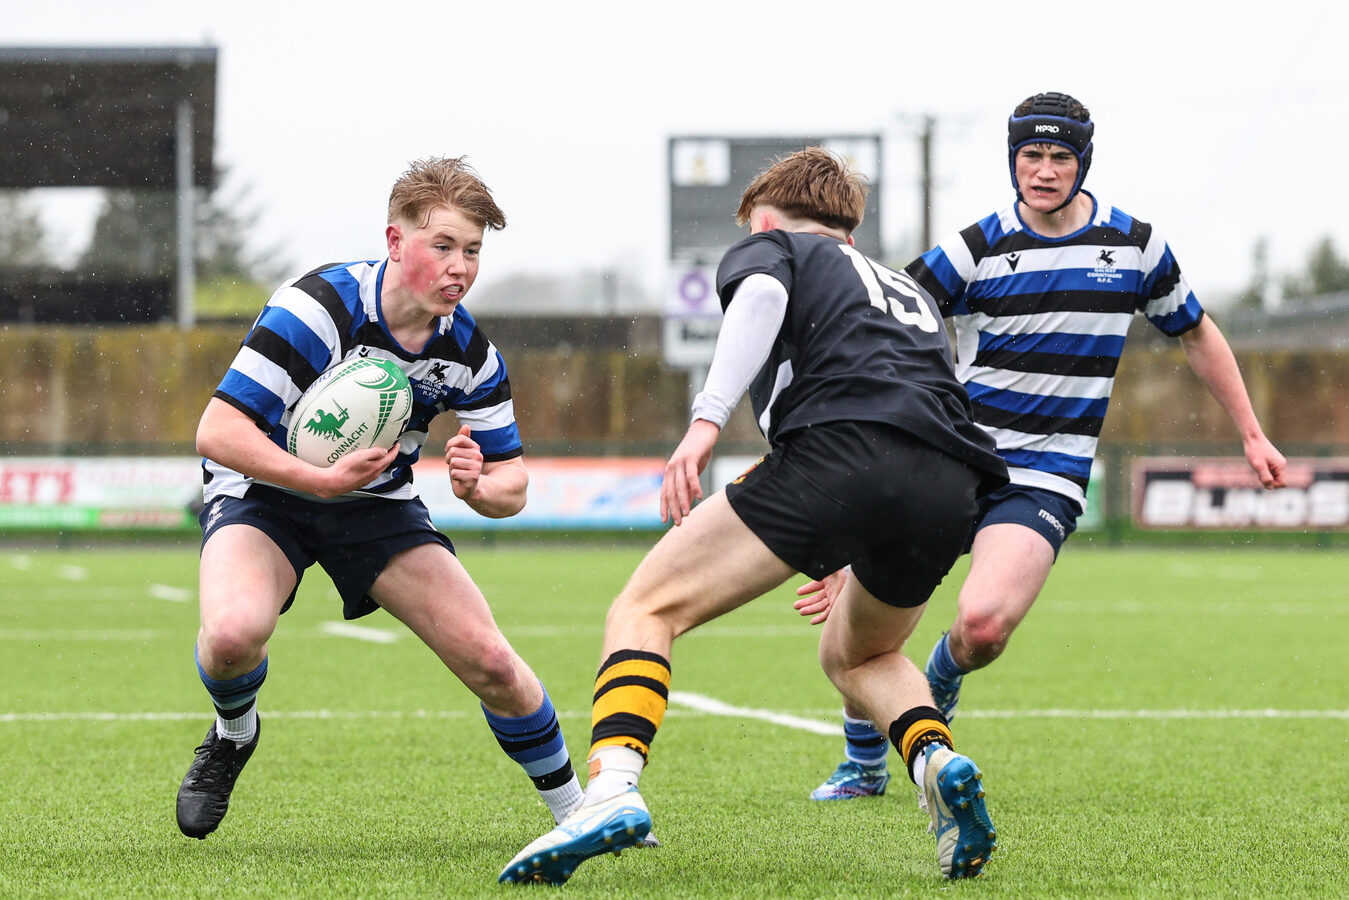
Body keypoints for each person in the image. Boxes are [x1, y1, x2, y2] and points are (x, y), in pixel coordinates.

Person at [498, 147, 1009, 885]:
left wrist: (705, 422)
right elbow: (908, 393)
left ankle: (609, 791)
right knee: (859, 656)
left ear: (764, 220)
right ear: (850, 233)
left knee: (645, 607)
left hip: (843, 453)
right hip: (949, 483)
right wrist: (853, 537)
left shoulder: (776, 248)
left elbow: (763, 297)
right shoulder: (905, 289)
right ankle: (935, 758)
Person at [800, 91, 1288, 803]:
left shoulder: (1133, 246)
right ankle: (862, 761)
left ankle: (935, 685)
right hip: (950, 460)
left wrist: (1250, 430)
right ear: (1013, 159)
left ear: (1082, 162)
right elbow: (890, 316)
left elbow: (1194, 329)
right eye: (1031, 154)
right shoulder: (976, 247)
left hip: (1046, 471)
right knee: (866, 630)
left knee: (982, 628)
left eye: (1060, 156)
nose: (1045, 169)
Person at [175, 156, 586, 841]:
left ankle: (579, 813)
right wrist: (317, 479)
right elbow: (217, 430)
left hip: (376, 505)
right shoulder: (317, 309)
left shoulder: (469, 353)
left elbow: (512, 485)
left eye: (473, 251)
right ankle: (233, 733)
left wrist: (477, 487)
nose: (460, 268)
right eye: (443, 246)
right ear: (396, 241)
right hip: (265, 492)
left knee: (491, 660)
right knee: (231, 636)